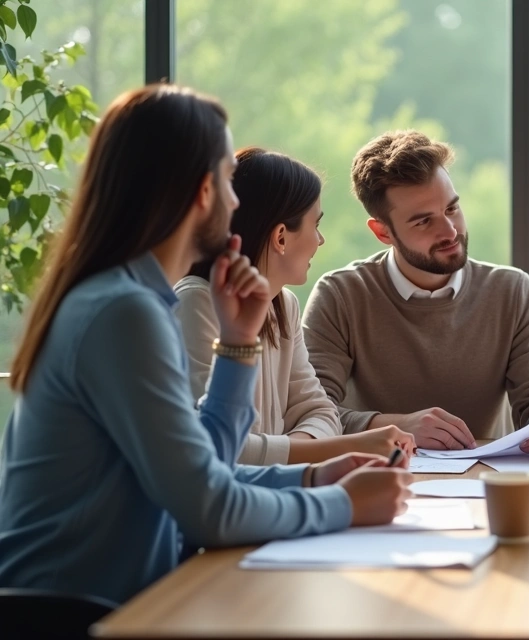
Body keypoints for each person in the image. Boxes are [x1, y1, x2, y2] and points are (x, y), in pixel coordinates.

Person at [0, 85, 412, 605]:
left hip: (121, 603)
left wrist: (308, 472)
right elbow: (206, 510)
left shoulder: (133, 301)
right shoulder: (123, 312)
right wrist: (340, 503)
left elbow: (200, 468)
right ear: (202, 191)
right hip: (70, 616)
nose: (237, 200)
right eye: (227, 180)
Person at [302, 130, 529, 457]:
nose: (449, 231)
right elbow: (312, 415)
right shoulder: (341, 296)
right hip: (383, 484)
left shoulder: (512, 291)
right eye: (423, 222)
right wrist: (397, 426)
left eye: (452, 209)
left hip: (488, 485)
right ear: (383, 232)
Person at [175, 147, 415, 465]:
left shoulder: (283, 304)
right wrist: (334, 450)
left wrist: (296, 452)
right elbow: (214, 446)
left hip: (269, 495)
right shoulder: (195, 303)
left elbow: (320, 411)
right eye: (316, 225)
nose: (320, 239)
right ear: (281, 238)